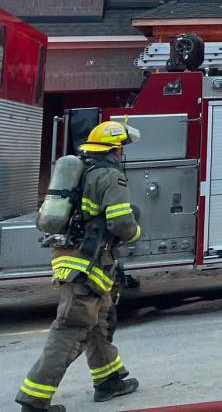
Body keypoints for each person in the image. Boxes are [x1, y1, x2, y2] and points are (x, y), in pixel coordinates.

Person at [15, 121, 142, 411]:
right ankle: (33, 401)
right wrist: (136, 234)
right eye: (121, 147)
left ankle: (109, 380)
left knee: (98, 321)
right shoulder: (110, 175)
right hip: (88, 263)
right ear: (116, 148)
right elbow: (122, 222)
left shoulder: (81, 170)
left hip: (72, 258)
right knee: (70, 328)